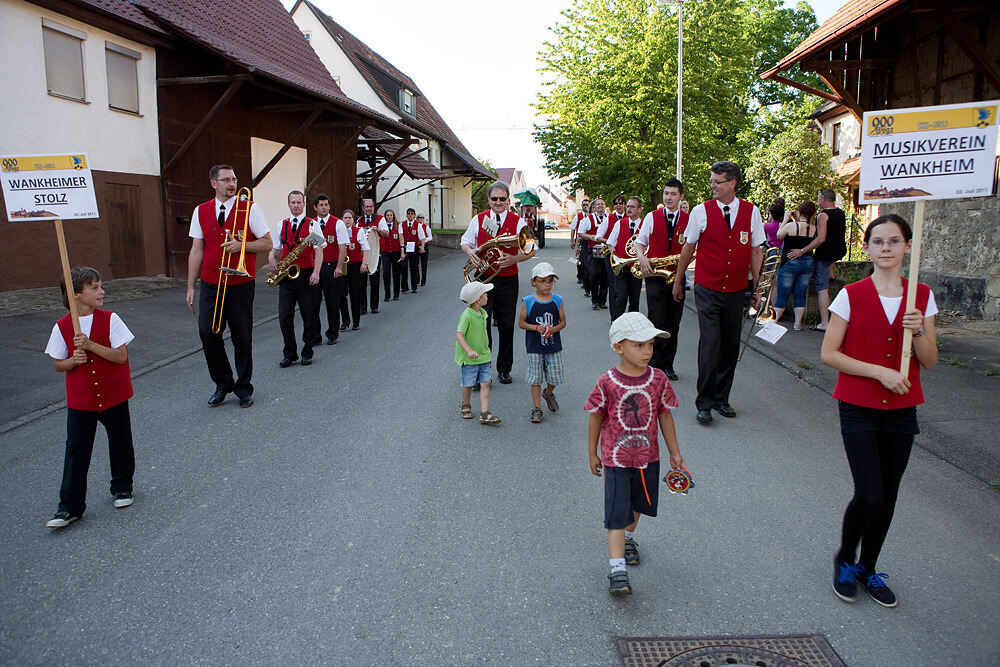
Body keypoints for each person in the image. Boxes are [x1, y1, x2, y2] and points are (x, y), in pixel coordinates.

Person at [820, 214, 938, 608]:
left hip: (902, 409)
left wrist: (919, 331)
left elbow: (931, 360)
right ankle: (845, 560)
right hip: (858, 406)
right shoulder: (851, 294)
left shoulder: (921, 295)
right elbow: (829, 353)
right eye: (878, 241)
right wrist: (879, 372)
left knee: (888, 496)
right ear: (867, 247)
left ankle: (869, 567)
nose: (886, 248)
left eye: (894, 241)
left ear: (907, 246)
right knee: (869, 494)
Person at [585, 312, 684, 596]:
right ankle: (617, 570)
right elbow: (595, 417)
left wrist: (674, 452)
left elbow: (665, 415)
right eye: (638, 345)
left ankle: (629, 538)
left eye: (650, 344)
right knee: (617, 513)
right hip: (615, 459)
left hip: (648, 457)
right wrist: (592, 453)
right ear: (619, 347)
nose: (647, 351)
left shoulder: (659, 379)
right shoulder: (607, 382)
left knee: (638, 506)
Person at [672, 161, 764, 424]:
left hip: (736, 290)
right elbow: (688, 249)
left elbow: (756, 252)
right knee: (711, 343)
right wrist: (679, 281)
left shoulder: (751, 211)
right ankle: (705, 402)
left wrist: (758, 288)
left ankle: (723, 398)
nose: (712, 185)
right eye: (711, 180)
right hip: (708, 288)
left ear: (732, 183)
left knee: (730, 345)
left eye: (717, 181)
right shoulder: (701, 211)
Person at [44, 267, 136, 528]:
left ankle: (122, 487)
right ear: (75, 294)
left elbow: (120, 356)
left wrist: (92, 346)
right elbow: (57, 364)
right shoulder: (62, 326)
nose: (101, 291)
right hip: (81, 399)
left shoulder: (111, 319)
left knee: (120, 441)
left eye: (100, 285)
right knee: (76, 449)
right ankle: (69, 506)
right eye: (94, 287)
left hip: (113, 394)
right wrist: (73, 359)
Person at [186, 164, 273, 408]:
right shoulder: (200, 211)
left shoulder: (250, 208)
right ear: (214, 183)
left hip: (240, 283)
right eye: (225, 180)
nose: (232, 184)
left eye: (234, 179)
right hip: (212, 283)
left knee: (241, 336)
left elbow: (267, 244)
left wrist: (242, 246)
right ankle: (223, 382)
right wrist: (190, 286)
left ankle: (243, 387)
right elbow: (196, 249)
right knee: (208, 332)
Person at [460, 181, 536, 385]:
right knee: (481, 326)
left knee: (506, 324)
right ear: (489, 200)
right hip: (483, 279)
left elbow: (531, 249)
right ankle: (483, 370)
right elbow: (464, 242)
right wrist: (471, 252)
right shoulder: (479, 219)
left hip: (508, 279)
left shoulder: (518, 221)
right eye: (494, 199)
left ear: (508, 200)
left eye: (502, 199)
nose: (498, 202)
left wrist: (514, 259)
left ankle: (504, 369)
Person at [636, 181, 688, 380]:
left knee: (673, 322)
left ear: (680, 196)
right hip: (656, 277)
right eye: (666, 193)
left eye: (673, 194)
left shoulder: (689, 219)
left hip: (677, 277)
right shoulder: (651, 216)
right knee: (656, 320)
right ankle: (653, 363)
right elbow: (640, 242)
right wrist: (642, 258)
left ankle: (668, 365)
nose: (668, 197)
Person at [268, 190, 322, 368]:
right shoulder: (280, 225)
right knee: (284, 315)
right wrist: (271, 259)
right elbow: (276, 249)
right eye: (293, 202)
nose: (296, 206)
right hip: (287, 276)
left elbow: (319, 251)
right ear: (288, 204)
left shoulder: (312, 225)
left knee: (308, 315)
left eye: (299, 202)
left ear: (304, 204)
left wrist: (316, 272)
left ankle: (307, 351)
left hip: (306, 275)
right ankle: (289, 353)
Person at [517, 262, 567, 423]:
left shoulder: (558, 300)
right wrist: (536, 327)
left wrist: (553, 330)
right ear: (533, 282)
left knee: (555, 377)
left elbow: (563, 322)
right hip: (534, 347)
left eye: (550, 281)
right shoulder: (528, 301)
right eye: (543, 281)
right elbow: (521, 323)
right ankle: (537, 408)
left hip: (553, 346)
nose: (547, 285)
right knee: (535, 378)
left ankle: (549, 392)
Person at [456, 281, 501, 425]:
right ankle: (466, 404)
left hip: (483, 356)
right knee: (468, 384)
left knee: (485, 383)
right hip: (469, 358)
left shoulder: (483, 313)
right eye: (484, 294)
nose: (487, 295)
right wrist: (468, 350)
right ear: (478, 299)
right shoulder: (467, 316)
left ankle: (484, 413)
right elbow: (459, 335)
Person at [772, 201, 817, 331]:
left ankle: (774, 320)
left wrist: (786, 219)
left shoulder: (792, 226)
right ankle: (797, 323)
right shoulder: (813, 228)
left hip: (789, 261)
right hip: (807, 261)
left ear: (800, 211)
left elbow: (779, 235)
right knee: (801, 292)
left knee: (783, 293)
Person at [809, 189, 848, 332]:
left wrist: (804, 250)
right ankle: (831, 272)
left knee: (822, 288)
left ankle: (825, 322)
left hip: (824, 254)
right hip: (838, 252)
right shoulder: (840, 213)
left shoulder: (823, 215)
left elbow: (821, 238)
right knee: (828, 274)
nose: (818, 200)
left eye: (819, 198)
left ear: (823, 198)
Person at [313, 194, 347, 346]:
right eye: (321, 205)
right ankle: (315, 334)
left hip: (331, 266)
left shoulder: (337, 223)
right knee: (313, 302)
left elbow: (342, 247)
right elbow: (313, 248)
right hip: (315, 268)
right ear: (315, 207)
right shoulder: (311, 224)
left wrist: (339, 266)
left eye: (326, 204)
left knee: (332, 301)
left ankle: (332, 333)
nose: (324, 207)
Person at [607, 196, 646, 320]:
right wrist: (616, 257)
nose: (628, 209)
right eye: (628, 206)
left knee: (634, 300)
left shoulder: (645, 224)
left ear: (639, 209)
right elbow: (610, 243)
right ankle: (616, 323)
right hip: (622, 268)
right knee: (621, 297)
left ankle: (633, 324)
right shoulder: (620, 223)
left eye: (632, 207)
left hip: (637, 268)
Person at [340, 209, 370, 331]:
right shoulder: (338, 231)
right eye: (345, 218)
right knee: (341, 294)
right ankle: (345, 320)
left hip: (355, 266)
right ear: (341, 219)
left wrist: (364, 264)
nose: (347, 220)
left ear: (353, 220)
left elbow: (366, 248)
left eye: (349, 218)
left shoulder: (359, 231)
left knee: (355, 294)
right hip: (342, 266)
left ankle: (356, 321)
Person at [579, 197, 610, 311]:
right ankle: (594, 300)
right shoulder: (588, 219)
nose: (600, 206)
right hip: (593, 250)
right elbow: (581, 233)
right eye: (598, 204)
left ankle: (602, 300)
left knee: (605, 276)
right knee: (594, 274)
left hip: (606, 251)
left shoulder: (610, 218)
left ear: (605, 206)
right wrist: (590, 237)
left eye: (602, 204)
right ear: (594, 207)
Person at [358, 198, 388, 313]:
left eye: (371, 206)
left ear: (374, 207)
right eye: (367, 207)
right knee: (362, 281)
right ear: (363, 208)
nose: (369, 208)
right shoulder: (359, 220)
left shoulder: (380, 219)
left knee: (374, 279)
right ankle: (363, 306)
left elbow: (386, 233)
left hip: (375, 253)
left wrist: (378, 230)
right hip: (362, 254)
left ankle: (374, 306)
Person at [379, 209, 403, 302]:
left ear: (393, 216)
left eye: (391, 215)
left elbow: (401, 238)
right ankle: (387, 294)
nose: (389, 217)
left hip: (396, 252)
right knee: (386, 273)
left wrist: (402, 250)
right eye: (387, 215)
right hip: (385, 252)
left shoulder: (398, 226)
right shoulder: (382, 227)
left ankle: (396, 294)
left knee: (396, 272)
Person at [400, 208, 422, 293]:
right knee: (403, 266)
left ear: (414, 215)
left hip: (414, 248)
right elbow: (401, 236)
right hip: (405, 248)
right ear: (406, 215)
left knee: (414, 267)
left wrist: (422, 246)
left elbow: (421, 237)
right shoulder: (402, 224)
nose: (410, 215)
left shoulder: (418, 225)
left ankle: (414, 286)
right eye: (408, 213)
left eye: (412, 213)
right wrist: (402, 247)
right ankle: (404, 286)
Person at [570, 198, 590, 291]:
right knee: (580, 259)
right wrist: (572, 241)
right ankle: (580, 276)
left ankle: (586, 278)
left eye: (587, 205)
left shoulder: (592, 216)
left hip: (589, 241)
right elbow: (573, 228)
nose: (585, 206)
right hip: (580, 239)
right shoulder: (578, 216)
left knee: (586, 261)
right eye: (584, 205)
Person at [417, 213, 432, 286]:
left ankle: (423, 280)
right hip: (416, 246)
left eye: (422, 217)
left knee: (424, 264)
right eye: (419, 217)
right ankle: (417, 279)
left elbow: (430, 237)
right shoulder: (415, 226)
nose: (421, 219)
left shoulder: (426, 227)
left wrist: (423, 240)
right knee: (415, 263)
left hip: (424, 246)